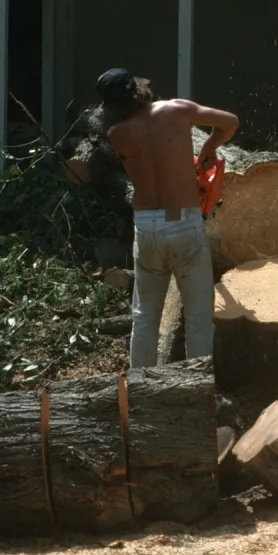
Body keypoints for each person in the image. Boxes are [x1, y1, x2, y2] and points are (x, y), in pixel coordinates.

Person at [96, 68, 238, 368]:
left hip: (147, 226)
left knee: (144, 317)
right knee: (199, 317)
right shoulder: (177, 109)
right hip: (185, 222)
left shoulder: (116, 135)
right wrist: (209, 148)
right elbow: (229, 122)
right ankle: (196, 391)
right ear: (138, 88)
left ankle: (140, 390)